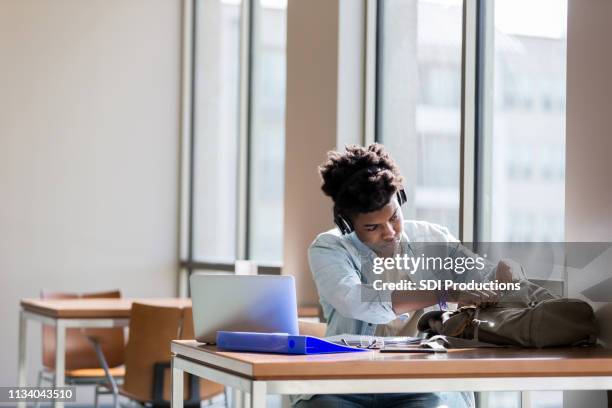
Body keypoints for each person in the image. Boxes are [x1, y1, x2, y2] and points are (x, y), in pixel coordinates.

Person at [293, 144, 513, 408]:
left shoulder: (433, 239)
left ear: (401, 197)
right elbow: (356, 300)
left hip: (422, 383)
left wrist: (502, 273)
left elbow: (481, 275)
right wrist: (444, 292)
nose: (389, 232)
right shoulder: (329, 247)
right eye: (372, 227)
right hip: (346, 382)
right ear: (347, 225)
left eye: (394, 216)